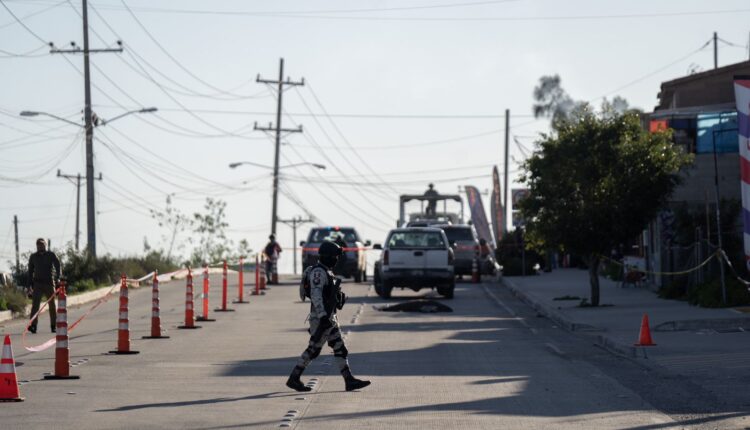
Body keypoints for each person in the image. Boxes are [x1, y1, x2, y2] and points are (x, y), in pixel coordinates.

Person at [287, 240, 370, 392]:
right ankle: (294, 377)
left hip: (329, 318)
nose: (337, 259)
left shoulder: (327, 272)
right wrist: (323, 316)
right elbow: (316, 294)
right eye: (335, 256)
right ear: (328, 256)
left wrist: (338, 298)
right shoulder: (318, 273)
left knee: (339, 348)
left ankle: (349, 380)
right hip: (321, 319)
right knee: (314, 349)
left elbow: (328, 295)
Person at [27, 238, 61, 334]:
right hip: (37, 284)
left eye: (42, 244)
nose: (40, 246)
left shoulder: (51, 255)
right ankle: (33, 325)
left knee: (52, 305)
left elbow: (58, 265)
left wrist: (58, 278)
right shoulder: (33, 257)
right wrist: (29, 286)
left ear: (45, 245)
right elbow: (30, 272)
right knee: (35, 306)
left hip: (49, 283)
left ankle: (53, 326)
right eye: (38, 244)